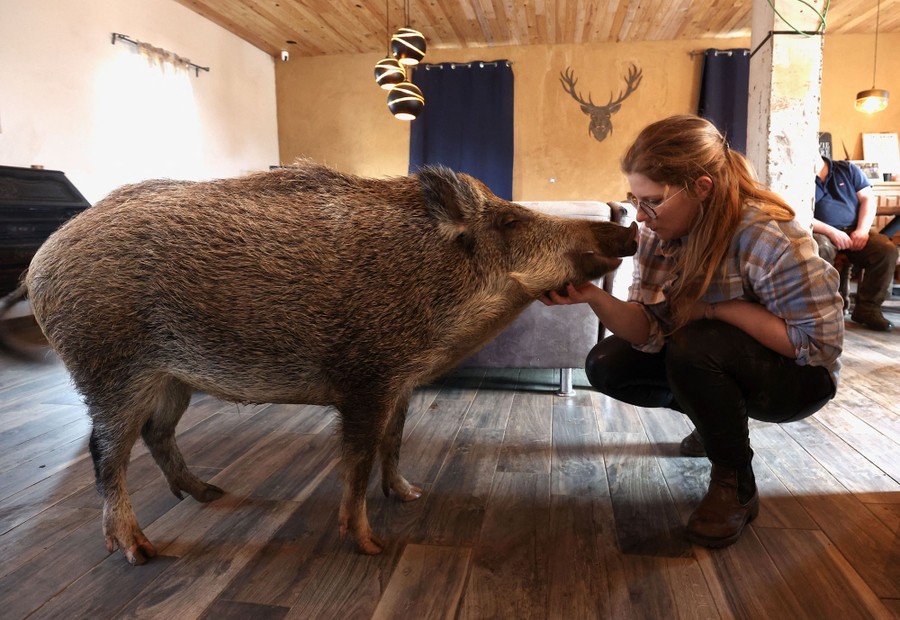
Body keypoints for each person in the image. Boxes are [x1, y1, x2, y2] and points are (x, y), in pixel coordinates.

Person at [541, 115, 843, 548]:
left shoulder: (767, 235)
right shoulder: (657, 233)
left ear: (702, 187)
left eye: (653, 201)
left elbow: (817, 345)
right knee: (607, 364)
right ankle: (715, 419)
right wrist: (592, 297)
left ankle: (734, 482)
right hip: (712, 354)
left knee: (695, 344)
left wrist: (719, 310)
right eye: (635, 200)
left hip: (797, 379)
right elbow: (649, 330)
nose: (642, 217)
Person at [811, 155, 898, 331]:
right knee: (819, 248)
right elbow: (797, 212)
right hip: (820, 232)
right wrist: (831, 231)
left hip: (854, 229)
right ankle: (821, 310)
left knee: (886, 249)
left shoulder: (847, 169)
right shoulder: (797, 175)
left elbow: (868, 200)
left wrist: (862, 230)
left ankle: (868, 309)